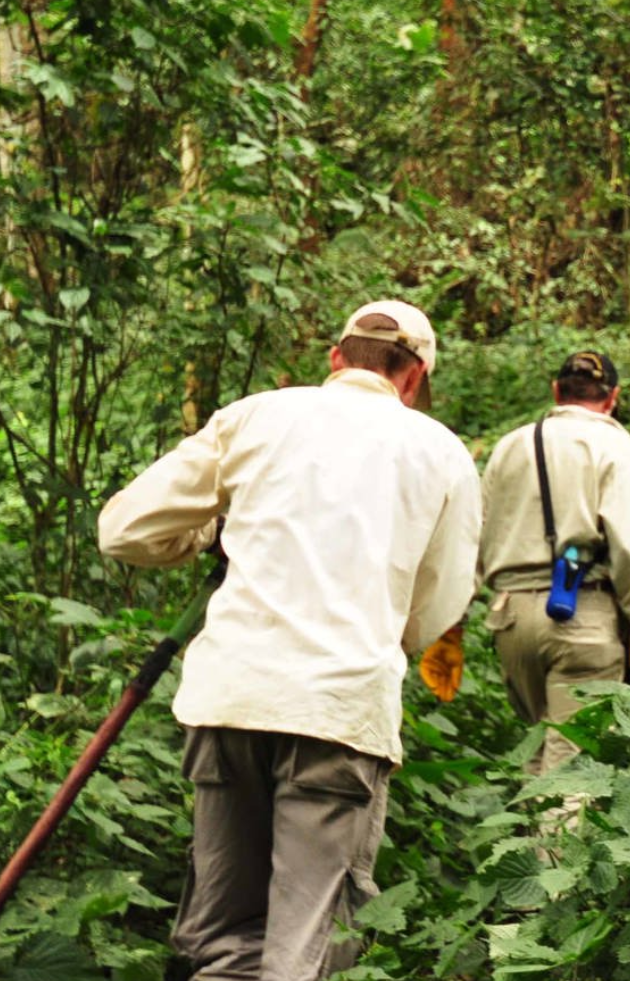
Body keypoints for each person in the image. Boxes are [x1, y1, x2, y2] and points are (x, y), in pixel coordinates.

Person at [98, 299, 481, 981]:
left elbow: (124, 530)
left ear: (336, 358)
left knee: (224, 940)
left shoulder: (256, 417)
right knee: (305, 947)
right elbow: (437, 609)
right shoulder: (440, 452)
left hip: (232, 699)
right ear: (415, 376)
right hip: (339, 713)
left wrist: (206, 534)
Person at [479, 350, 630, 775]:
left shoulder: (511, 445)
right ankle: (554, 845)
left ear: (556, 391)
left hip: (510, 618)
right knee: (571, 773)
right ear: (613, 397)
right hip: (581, 616)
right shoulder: (616, 446)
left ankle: (532, 840)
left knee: (540, 761)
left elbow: (476, 532)